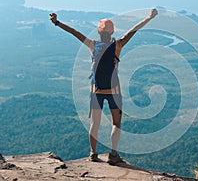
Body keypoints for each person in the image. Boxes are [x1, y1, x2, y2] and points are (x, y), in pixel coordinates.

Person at [50, 9, 158, 165]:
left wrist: (57, 23)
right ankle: (113, 154)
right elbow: (133, 30)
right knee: (116, 123)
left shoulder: (92, 45)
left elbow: (74, 32)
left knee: (95, 124)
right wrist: (149, 17)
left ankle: (93, 153)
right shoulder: (118, 45)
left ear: (99, 32)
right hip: (114, 92)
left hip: (96, 91)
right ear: (112, 31)